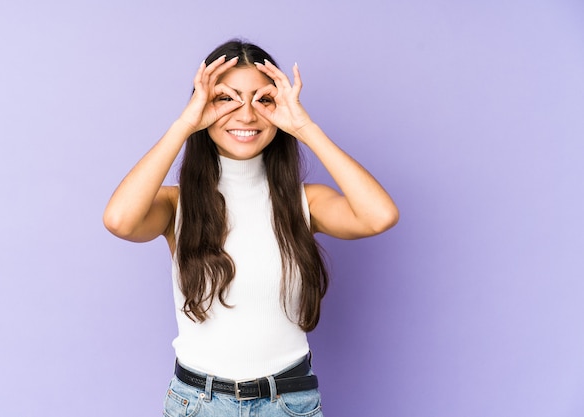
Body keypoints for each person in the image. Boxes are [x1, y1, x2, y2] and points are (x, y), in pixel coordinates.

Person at [103, 39, 398, 417]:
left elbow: (380, 216)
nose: (246, 115)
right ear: (203, 106)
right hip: (199, 403)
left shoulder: (305, 201)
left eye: (263, 100)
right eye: (227, 99)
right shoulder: (176, 204)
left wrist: (304, 127)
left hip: (289, 403)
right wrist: (184, 124)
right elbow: (119, 220)